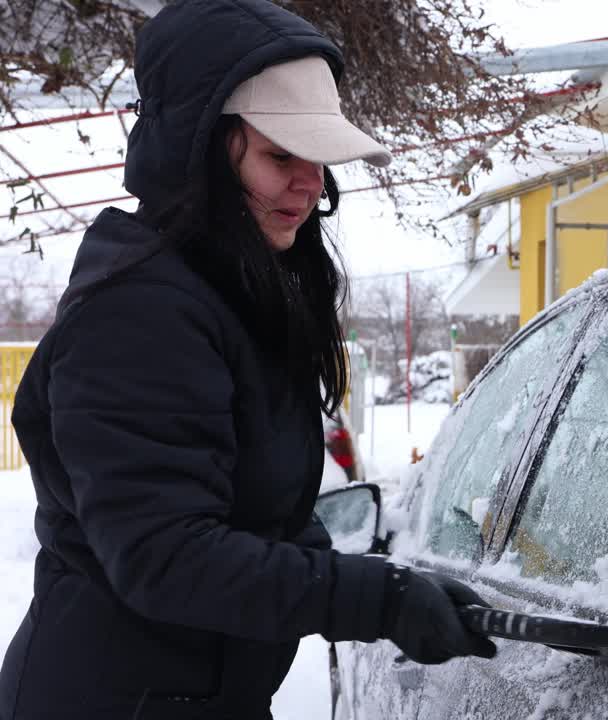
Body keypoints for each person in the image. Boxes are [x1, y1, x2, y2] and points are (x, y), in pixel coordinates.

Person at [0, 1, 496, 718]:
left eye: (317, 160)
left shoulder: (229, 295)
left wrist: (364, 576)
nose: (311, 185)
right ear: (201, 149)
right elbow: (164, 554)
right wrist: (371, 599)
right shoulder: (138, 314)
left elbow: (255, 517)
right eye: (280, 156)